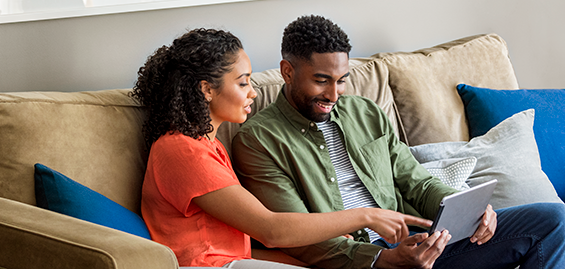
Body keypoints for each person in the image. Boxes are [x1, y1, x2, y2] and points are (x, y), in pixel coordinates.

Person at [231, 15, 565, 269]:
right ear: (287, 71)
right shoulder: (259, 140)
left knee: (553, 219)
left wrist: (469, 210)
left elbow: (416, 182)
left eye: (342, 80)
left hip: (418, 243)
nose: (334, 94)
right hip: (364, 259)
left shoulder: (365, 112)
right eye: (321, 81)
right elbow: (299, 238)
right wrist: (383, 259)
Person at [131, 28, 432, 268]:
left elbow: (244, 247)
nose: (253, 92)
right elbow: (271, 230)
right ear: (207, 89)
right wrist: (366, 216)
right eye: (243, 83)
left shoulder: (207, 144)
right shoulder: (182, 150)